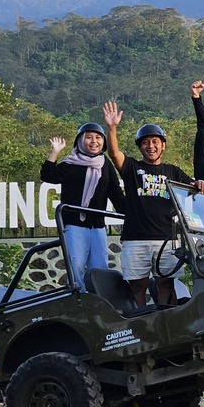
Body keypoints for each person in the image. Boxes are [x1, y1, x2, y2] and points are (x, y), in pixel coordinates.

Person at [102, 100, 204, 307]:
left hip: (166, 239)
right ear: (140, 146)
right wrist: (112, 128)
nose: (151, 146)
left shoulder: (173, 171)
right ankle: (140, 326)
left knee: (166, 284)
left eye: (155, 141)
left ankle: (170, 325)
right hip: (135, 239)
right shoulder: (132, 167)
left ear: (163, 145)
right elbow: (114, 154)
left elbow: (192, 185)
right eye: (146, 142)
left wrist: (199, 182)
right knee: (137, 286)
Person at [40, 123, 125, 290]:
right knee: (77, 266)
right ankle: (79, 301)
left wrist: (137, 213)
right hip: (74, 225)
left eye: (98, 137)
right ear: (80, 141)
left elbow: (116, 195)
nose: (94, 141)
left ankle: (100, 302)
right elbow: (48, 176)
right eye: (89, 137)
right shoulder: (71, 163)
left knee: (100, 267)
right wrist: (55, 152)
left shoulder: (105, 164)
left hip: (97, 226)